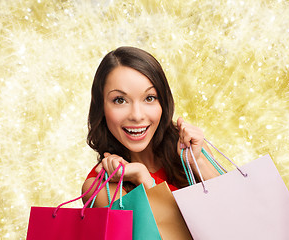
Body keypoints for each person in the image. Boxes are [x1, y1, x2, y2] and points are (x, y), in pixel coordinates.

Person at [82, 46, 220, 207]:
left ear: (163, 102)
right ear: (101, 107)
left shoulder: (192, 150)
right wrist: (144, 179)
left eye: (149, 98)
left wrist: (198, 162)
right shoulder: (101, 189)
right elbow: (175, 232)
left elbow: (237, 209)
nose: (137, 115)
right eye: (120, 100)